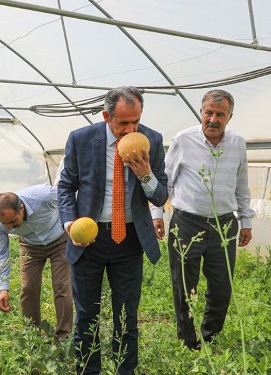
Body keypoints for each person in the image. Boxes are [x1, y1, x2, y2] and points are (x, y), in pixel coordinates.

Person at [58, 86, 168, 375]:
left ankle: (125, 371)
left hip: (129, 240)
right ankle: (88, 370)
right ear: (107, 116)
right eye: (123, 123)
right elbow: (66, 187)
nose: (131, 129)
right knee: (86, 316)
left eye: (136, 121)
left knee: (126, 316)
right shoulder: (81, 139)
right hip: (88, 240)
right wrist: (70, 224)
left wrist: (146, 175)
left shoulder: (151, 141)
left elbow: (159, 197)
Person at [151, 89, 254, 351]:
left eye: (220, 114)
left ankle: (211, 337)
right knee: (185, 284)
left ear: (230, 117)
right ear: (201, 112)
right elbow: (166, 181)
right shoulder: (183, 140)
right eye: (209, 112)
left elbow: (241, 185)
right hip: (187, 222)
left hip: (224, 224)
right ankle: (188, 341)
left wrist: (246, 220)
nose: (213, 119)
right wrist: (157, 214)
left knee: (222, 286)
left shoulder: (238, 143)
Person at [0, 184, 73, 343]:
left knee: (61, 285)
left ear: (21, 207)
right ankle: (32, 335)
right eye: (5, 223)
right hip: (30, 245)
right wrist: (3, 287)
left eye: (12, 221)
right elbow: (0, 253)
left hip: (59, 240)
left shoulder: (44, 195)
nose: (9, 227)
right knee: (28, 287)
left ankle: (63, 337)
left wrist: (73, 224)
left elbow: (67, 198)